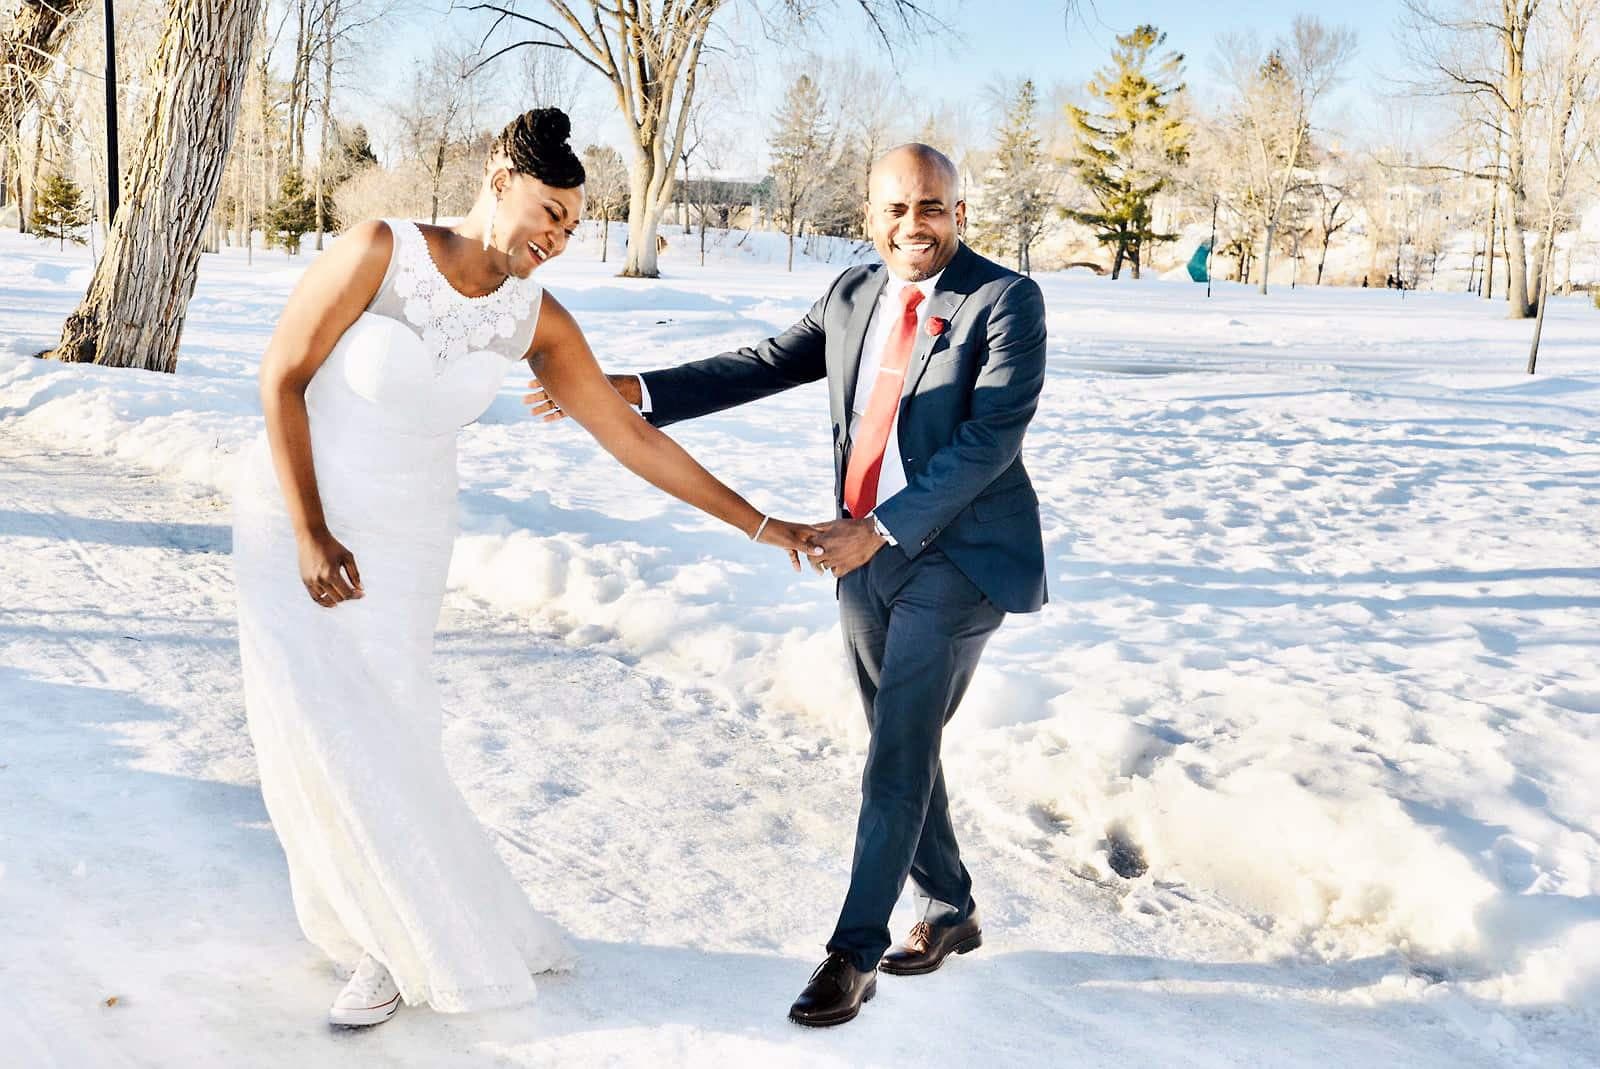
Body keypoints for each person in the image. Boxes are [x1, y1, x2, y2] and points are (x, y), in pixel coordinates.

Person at [231, 108, 815, 1029]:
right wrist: (308, 525)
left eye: (575, 226)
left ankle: (396, 924)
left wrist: (762, 523)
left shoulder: (535, 317)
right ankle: (381, 938)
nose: (559, 237)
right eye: (550, 211)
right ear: (499, 179)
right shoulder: (381, 250)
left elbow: (629, 436)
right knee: (318, 721)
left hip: (411, 531)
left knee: (394, 723)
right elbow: (281, 376)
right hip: (299, 509)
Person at [529, 143, 1048, 1027]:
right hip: (861, 561)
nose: (912, 226)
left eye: (931, 208)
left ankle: (854, 950)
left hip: (959, 560)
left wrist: (879, 527)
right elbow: (763, 362)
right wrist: (637, 388)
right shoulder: (852, 294)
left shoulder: (1005, 300)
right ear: (870, 214)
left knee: (895, 750)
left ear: (959, 213)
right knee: (902, 738)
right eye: (895, 210)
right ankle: (952, 907)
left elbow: (989, 439)